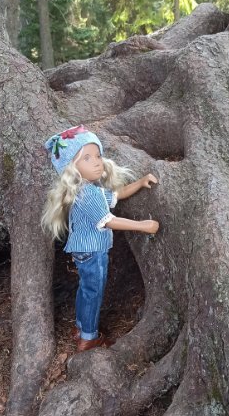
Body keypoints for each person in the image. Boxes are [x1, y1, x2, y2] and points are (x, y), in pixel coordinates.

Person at [41, 124, 160, 352]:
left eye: (97, 155)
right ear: (72, 168)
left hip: (84, 250)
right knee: (94, 292)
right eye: (87, 158)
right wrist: (142, 226)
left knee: (86, 289)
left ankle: (80, 326)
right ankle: (89, 337)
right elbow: (108, 221)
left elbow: (116, 195)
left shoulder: (87, 190)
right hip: (93, 252)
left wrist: (140, 182)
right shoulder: (88, 194)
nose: (97, 162)